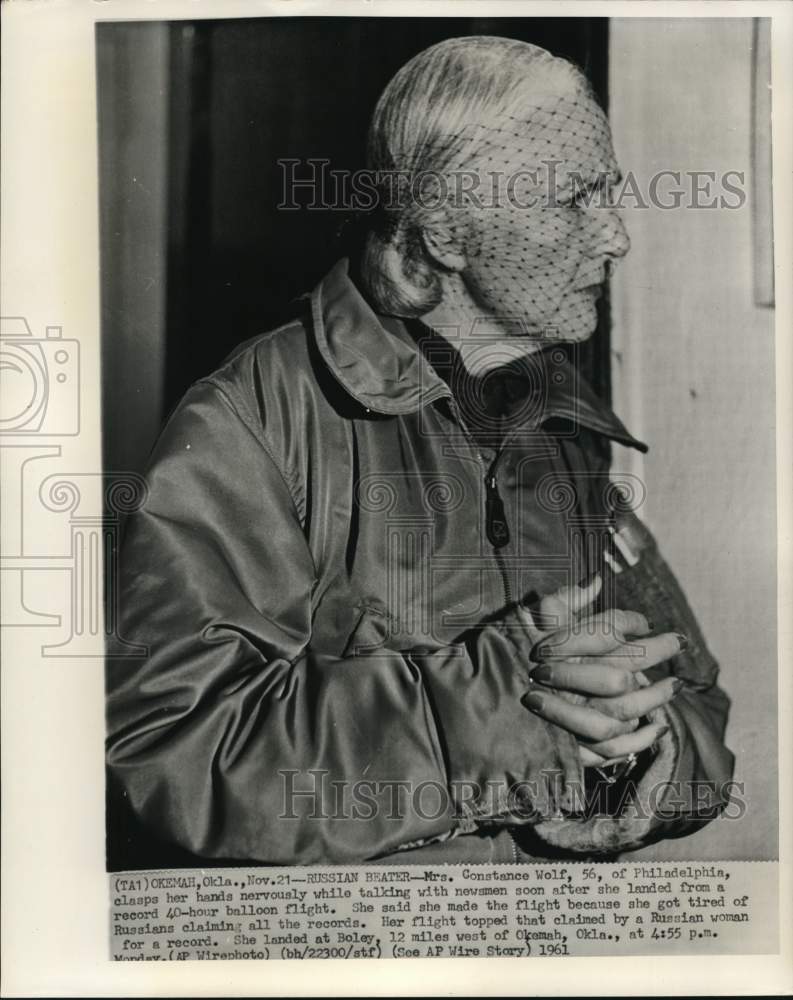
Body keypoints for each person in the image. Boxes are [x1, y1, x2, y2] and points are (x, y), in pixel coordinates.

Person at [106, 36, 733, 866]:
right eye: (573, 199)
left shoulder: (556, 428)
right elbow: (172, 754)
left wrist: (640, 753)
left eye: (608, 193)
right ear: (445, 235)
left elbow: (695, 697)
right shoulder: (252, 419)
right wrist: (520, 707)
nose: (614, 236)